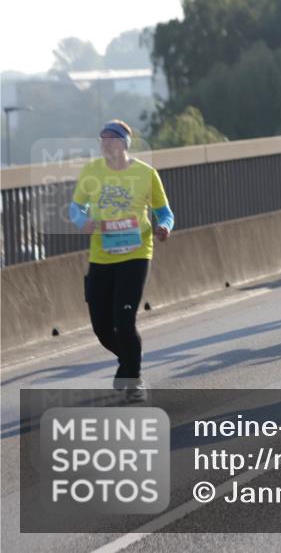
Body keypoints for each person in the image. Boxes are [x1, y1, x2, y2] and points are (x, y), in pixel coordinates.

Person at [69, 120, 174, 403]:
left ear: (125, 144)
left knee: (124, 321)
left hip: (136, 254)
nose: (106, 144)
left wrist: (164, 227)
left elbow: (164, 212)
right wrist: (83, 220)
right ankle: (127, 362)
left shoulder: (145, 173)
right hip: (101, 257)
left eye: (113, 139)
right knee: (102, 328)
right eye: (102, 139)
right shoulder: (92, 172)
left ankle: (133, 379)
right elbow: (75, 207)